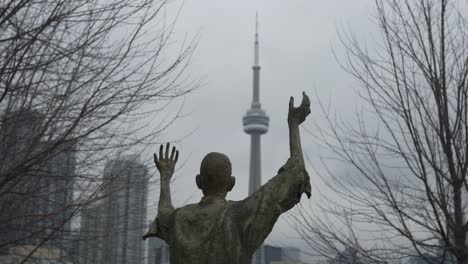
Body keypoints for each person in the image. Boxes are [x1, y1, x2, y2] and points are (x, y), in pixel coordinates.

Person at [143, 92, 312, 264]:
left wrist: (165, 177)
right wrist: (294, 124)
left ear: (198, 182)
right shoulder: (241, 216)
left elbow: (164, 214)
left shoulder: (179, 219)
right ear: (231, 184)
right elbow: (294, 175)